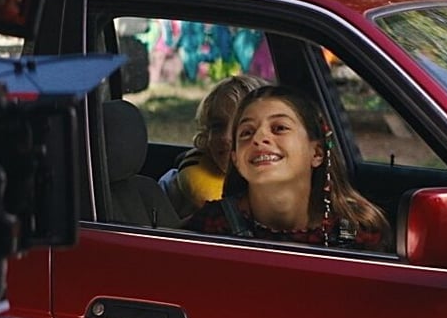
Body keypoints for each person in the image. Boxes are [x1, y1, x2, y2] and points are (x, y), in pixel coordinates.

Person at [183, 83, 391, 251]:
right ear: (236, 159)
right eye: (247, 132)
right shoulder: (210, 226)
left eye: (279, 128)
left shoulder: (354, 231)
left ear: (317, 153)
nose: (259, 138)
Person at [159, 75, 269, 219]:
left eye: (241, 127)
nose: (226, 137)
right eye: (217, 126)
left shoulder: (286, 197)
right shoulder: (173, 187)